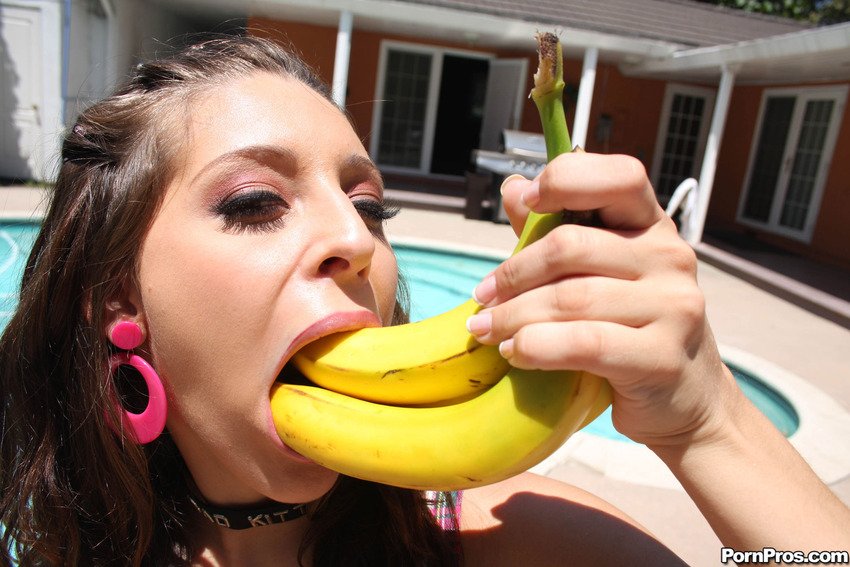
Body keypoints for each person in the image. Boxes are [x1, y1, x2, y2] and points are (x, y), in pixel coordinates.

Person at [0, 34, 847, 566]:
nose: (356, 239)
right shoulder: (50, 547)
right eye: (255, 202)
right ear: (115, 293)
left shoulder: (515, 541)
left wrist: (710, 426)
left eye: (370, 206)